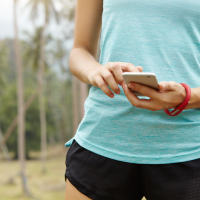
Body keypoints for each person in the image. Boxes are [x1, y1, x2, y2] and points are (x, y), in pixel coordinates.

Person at [64, 0, 200, 199]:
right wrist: (94, 71)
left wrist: (188, 97)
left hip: (188, 148)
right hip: (103, 138)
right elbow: (80, 50)